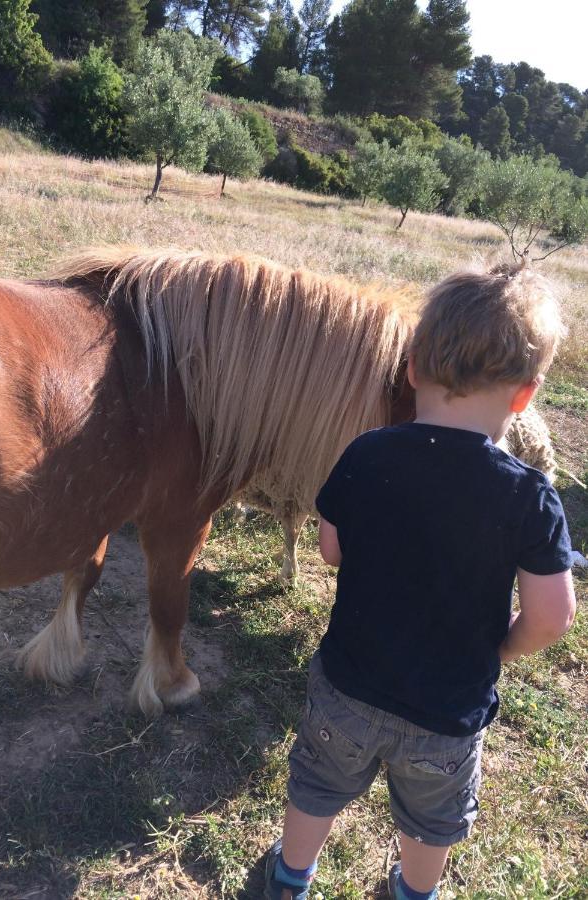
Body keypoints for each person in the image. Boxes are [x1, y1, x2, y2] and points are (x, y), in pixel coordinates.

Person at [264, 262, 577, 900]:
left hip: (347, 686)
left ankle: (289, 877)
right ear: (526, 395)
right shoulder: (530, 495)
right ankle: (412, 892)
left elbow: (331, 549)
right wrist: (501, 650)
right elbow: (552, 616)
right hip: (448, 711)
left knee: (317, 785)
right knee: (434, 821)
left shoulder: (366, 453)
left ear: (411, 367)